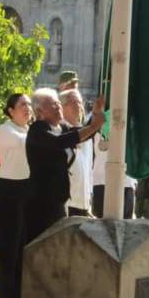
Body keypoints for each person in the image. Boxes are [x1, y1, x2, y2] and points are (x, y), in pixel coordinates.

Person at [25, 88, 105, 241]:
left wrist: (95, 114)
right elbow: (59, 142)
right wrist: (93, 126)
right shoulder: (37, 130)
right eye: (53, 105)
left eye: (58, 104)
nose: (58, 107)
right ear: (40, 111)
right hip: (40, 202)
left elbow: (81, 134)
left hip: (59, 199)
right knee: (41, 247)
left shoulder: (62, 128)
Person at [0, 93, 33, 298]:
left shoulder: (29, 130)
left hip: (26, 190)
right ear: (11, 110)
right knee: (9, 248)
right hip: (9, 191)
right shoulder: (5, 129)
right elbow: (27, 144)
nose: (27, 108)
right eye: (22, 105)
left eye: (29, 104)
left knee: (23, 246)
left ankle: (20, 296)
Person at [60, 89, 93, 217]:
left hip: (83, 204)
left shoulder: (87, 135)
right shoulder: (59, 132)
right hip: (67, 204)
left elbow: (89, 170)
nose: (78, 106)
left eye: (80, 102)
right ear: (62, 107)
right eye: (73, 102)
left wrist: (89, 202)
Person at [91, 132, 136, 219]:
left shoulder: (132, 124)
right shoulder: (97, 124)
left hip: (126, 182)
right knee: (101, 226)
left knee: (125, 226)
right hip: (102, 181)